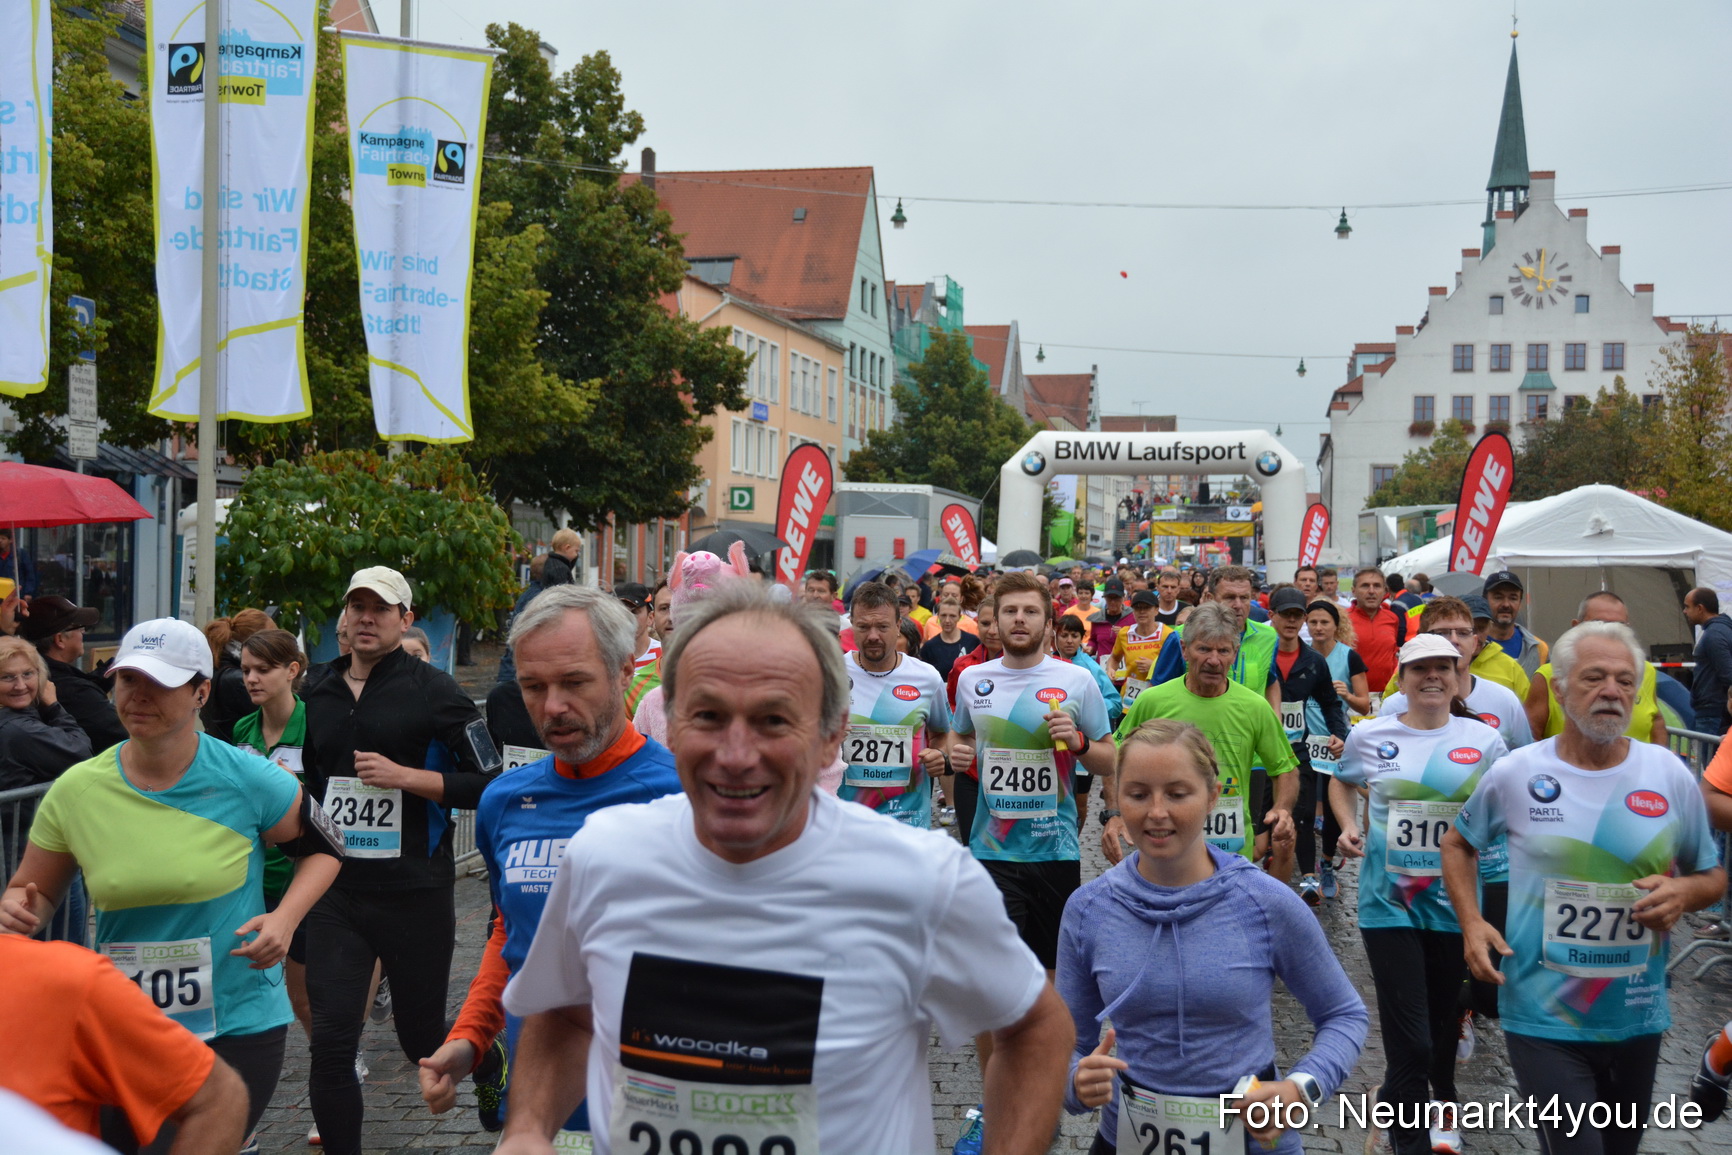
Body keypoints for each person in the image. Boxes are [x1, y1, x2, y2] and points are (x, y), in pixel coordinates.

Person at [493, 585, 1075, 1155]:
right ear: (669, 724)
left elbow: (1036, 1029)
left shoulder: (921, 879)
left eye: (774, 720)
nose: (737, 754)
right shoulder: (604, 855)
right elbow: (565, 1013)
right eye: (709, 716)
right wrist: (526, 1129)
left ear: (830, 740)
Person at [0, 617, 343, 1154]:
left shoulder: (248, 777)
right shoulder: (78, 790)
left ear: (201, 692)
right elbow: (33, 891)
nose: (138, 695)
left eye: (159, 682)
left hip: (236, 1019)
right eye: (128, 679)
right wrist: (20, 909)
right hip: (120, 1028)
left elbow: (327, 847)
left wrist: (285, 918)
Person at [1443, 621, 1724, 1155]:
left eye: (1625, 681)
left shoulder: (1667, 774)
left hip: (1636, 1011)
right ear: (1562, 689)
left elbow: (1711, 876)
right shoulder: (1517, 772)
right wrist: (1472, 923)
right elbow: (1458, 844)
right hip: (1542, 1012)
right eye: (1595, 678)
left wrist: (1685, 895)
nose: (1612, 692)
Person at [419, 586, 682, 1144]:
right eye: (534, 687)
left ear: (622, 673)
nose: (553, 705)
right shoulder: (504, 801)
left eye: (574, 682)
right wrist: (469, 1038)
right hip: (543, 1116)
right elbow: (510, 935)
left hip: (662, 1113)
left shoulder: (683, 797)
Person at [1059, 720, 1367, 1154]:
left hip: (1254, 1141)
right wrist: (1075, 1083)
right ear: (1118, 798)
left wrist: (1299, 1089)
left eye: (1178, 794)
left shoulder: (1263, 902)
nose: (1157, 812)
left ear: (1212, 797)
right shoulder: (1088, 909)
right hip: (1124, 1139)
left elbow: (1344, 1014)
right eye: (1138, 794)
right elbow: (1069, 1046)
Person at [300, 567, 502, 1155]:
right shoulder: (318, 688)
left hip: (415, 889)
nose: (365, 618)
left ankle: (490, 1064)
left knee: (420, 1039)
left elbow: (489, 781)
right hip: (337, 890)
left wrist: (407, 779)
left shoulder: (434, 690)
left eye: (380, 609)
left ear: (404, 619)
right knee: (332, 1042)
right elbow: (305, 778)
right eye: (356, 607)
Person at [948, 571, 1116, 1151]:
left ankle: (1037, 1101)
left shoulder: (1077, 679)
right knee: (996, 987)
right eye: (1010, 612)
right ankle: (994, 1110)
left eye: (1030, 612)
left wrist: (1080, 743)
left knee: (1044, 989)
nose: (1020, 621)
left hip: (1055, 854)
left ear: (1049, 621)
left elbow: (1109, 759)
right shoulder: (973, 680)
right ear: (995, 619)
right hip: (991, 853)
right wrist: (958, 756)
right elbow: (959, 746)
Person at [1331, 634, 1510, 1155]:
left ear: (1457, 678)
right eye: (1420, 669)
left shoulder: (1485, 742)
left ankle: (1388, 1097)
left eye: (1443, 668)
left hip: (1457, 907)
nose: (1432, 677)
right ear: (1402, 680)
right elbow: (1340, 781)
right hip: (1388, 905)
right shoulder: (1371, 735)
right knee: (1410, 1038)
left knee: (1435, 1033)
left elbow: (1509, 810)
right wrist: (1345, 824)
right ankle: (1407, 1142)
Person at [0, 934, 250, 1153]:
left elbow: (220, 1096)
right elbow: (37, 891)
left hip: (228, 1003)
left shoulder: (67, 979)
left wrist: (282, 919)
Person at [1112, 603, 1298, 869]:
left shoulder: (1255, 707)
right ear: (1185, 650)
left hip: (1231, 855)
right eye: (1204, 649)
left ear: (1234, 654)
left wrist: (1282, 808)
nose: (1214, 660)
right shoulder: (1153, 701)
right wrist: (1117, 812)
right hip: (1164, 851)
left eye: (1223, 651)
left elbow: (1285, 768)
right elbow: (1115, 755)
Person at [230, 629, 317, 1048]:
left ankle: (337, 1057)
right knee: (267, 982)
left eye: (263, 670)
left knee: (305, 992)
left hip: (306, 874)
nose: (251, 679)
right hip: (259, 877)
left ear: (292, 671)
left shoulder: (315, 724)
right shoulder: (243, 729)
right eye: (246, 670)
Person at [839, 582, 953, 829]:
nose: (872, 636)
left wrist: (941, 755)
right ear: (852, 626)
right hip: (847, 825)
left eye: (882, 627)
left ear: (898, 626)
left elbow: (942, 735)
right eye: (863, 626)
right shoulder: (830, 673)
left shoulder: (927, 678)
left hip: (908, 824)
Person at [1267, 588, 1349, 905]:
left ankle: (1307, 878)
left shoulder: (1314, 662)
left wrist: (1338, 733)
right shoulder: (1260, 654)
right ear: (1271, 614)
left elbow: (1330, 703)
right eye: (1284, 614)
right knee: (1262, 815)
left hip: (1298, 749)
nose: (1290, 621)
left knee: (1301, 815)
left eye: (1296, 615)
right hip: (1261, 751)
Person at [1524, 592, 1667, 746]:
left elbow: (1656, 720)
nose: (1608, 632)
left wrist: (1659, 761)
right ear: (1576, 626)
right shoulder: (1548, 675)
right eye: (1598, 623)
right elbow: (1529, 735)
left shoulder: (1643, 670)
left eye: (1624, 682)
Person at [20, 596, 126, 752]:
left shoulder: (36, 673)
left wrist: (110, 671)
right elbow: (127, 732)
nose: (83, 634)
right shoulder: (73, 692)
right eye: (80, 628)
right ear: (60, 639)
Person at [0, 636, 92, 795]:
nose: (21, 686)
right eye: (7, 677)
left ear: (40, 674)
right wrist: (54, 707)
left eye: (28, 674)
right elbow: (82, 754)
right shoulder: (18, 730)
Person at [199, 608, 276, 744]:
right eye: (273, 637)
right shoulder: (238, 680)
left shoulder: (219, 668)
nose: (277, 644)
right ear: (258, 641)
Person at [1346, 569, 1407, 696]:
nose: (1371, 591)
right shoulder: (1343, 620)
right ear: (1353, 591)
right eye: (1365, 586)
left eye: (1377, 586)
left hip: (1386, 696)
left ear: (1385, 591)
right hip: (1353, 697)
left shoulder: (1392, 618)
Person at [1106, 591, 1170, 705]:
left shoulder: (1168, 635)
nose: (1141, 612)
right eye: (1137, 608)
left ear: (1156, 610)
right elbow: (1115, 658)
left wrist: (1154, 666)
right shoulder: (1124, 633)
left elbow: (1175, 667)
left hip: (1158, 698)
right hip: (1129, 699)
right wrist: (1110, 669)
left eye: (1146, 608)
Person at [1481, 570, 1548, 678]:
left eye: (1513, 598)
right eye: (1498, 597)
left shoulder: (1539, 649)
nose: (1506, 604)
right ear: (1484, 601)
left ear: (1520, 603)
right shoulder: (1473, 646)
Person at [1685, 586, 1732, 736]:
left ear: (1700, 608)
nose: (1684, 611)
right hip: (1714, 711)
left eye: (1687, 606)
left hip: (1713, 713)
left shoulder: (1714, 635)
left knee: (1705, 759)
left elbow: (1728, 674)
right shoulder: (1720, 630)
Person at [918, 599, 978, 683]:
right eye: (943, 615)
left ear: (959, 617)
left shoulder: (973, 642)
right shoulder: (929, 647)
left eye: (952, 616)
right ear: (938, 616)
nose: (947, 620)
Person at [1085, 579, 1133, 659]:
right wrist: (1090, 647)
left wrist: (1125, 634)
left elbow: (1140, 640)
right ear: (1105, 598)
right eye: (1109, 598)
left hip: (1126, 666)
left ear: (1123, 598)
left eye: (1116, 598)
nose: (1113, 602)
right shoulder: (1097, 619)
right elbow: (1093, 640)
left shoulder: (1133, 617)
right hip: (1103, 667)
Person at [0, 528, 37, 599]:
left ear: (10, 540)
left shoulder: (20, 555)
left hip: (18, 595)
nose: (0, 541)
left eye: (3, 538)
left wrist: (28, 592)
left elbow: (29, 574)